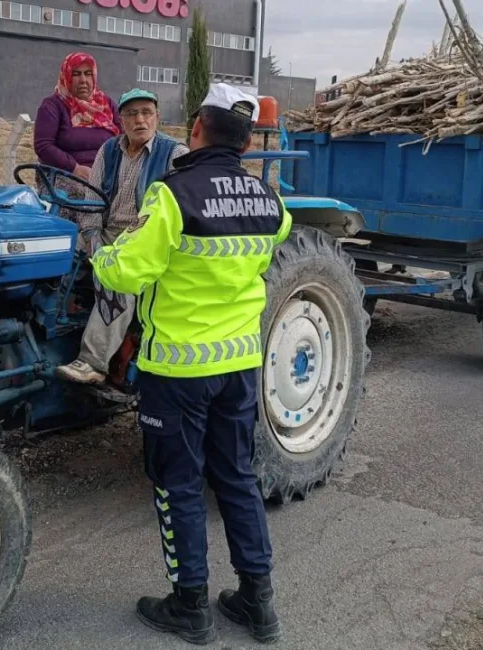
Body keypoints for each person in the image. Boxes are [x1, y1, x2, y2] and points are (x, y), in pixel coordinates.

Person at [90, 83, 292, 646]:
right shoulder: (267, 202)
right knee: (236, 476)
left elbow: (129, 271)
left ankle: (190, 606)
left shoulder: (173, 195)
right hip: (239, 364)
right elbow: (271, 244)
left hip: (178, 370)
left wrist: (100, 256)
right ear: (247, 138)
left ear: (197, 128)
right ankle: (258, 601)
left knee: (177, 483)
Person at [55, 88, 189, 386]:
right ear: (121, 120)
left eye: (146, 113)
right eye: (131, 114)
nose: (139, 120)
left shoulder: (175, 154)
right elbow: (91, 198)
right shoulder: (109, 150)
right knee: (55, 252)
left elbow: (175, 209)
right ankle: (51, 324)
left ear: (157, 117)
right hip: (105, 230)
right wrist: (91, 237)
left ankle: (93, 362)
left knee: (118, 277)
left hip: (144, 236)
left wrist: (126, 246)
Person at [33, 52, 121, 229]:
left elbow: (124, 139)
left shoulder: (107, 105)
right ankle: (81, 247)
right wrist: (75, 168)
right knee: (83, 200)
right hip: (63, 175)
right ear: (66, 76)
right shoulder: (53, 106)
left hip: (105, 175)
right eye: (76, 74)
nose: (83, 80)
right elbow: (43, 146)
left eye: (88, 74)